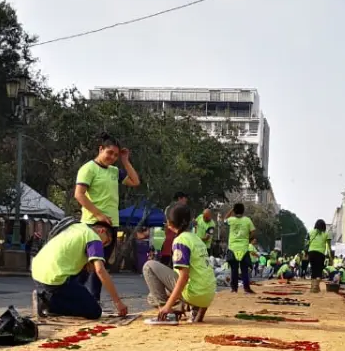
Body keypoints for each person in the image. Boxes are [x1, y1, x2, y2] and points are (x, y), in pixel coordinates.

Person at [74, 133, 140, 302]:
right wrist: (98, 214)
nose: (112, 157)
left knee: (100, 267)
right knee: (86, 266)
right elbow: (79, 195)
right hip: (93, 224)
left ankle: (92, 301)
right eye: (109, 153)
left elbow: (135, 181)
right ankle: (70, 297)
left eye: (116, 155)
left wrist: (125, 161)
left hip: (111, 225)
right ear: (101, 149)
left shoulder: (114, 171)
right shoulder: (88, 168)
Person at [32, 220, 128, 320]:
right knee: (95, 311)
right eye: (106, 242)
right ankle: (49, 303)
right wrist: (117, 301)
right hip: (53, 280)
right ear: (102, 231)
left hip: (38, 272)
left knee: (81, 278)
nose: (103, 246)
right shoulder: (94, 237)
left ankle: (48, 296)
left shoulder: (77, 226)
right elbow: (100, 271)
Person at [142, 203, 215, 323]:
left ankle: (168, 313)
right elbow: (204, 272)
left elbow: (184, 277)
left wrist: (167, 306)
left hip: (195, 293)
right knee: (151, 297)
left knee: (148, 266)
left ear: (170, 222)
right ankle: (194, 307)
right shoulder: (196, 238)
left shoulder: (181, 241)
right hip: (207, 295)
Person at [224, 203, 257, 293]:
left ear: (234, 211)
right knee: (244, 270)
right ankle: (246, 288)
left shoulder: (231, 220)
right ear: (243, 211)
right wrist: (248, 238)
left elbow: (224, 219)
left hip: (232, 248)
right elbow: (253, 231)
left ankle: (234, 289)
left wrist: (231, 210)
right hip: (244, 248)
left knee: (234, 270)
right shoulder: (247, 220)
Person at [159, 192, 189, 266]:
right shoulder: (171, 209)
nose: (186, 201)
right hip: (171, 241)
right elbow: (167, 224)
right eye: (185, 199)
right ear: (179, 198)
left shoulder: (172, 209)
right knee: (167, 265)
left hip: (176, 241)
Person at [306, 220, 331, 293]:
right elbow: (329, 247)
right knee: (319, 271)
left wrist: (306, 253)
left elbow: (307, 243)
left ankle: (313, 287)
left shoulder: (310, 232)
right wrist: (331, 257)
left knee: (313, 270)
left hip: (311, 253)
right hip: (320, 254)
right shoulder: (326, 234)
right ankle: (316, 287)